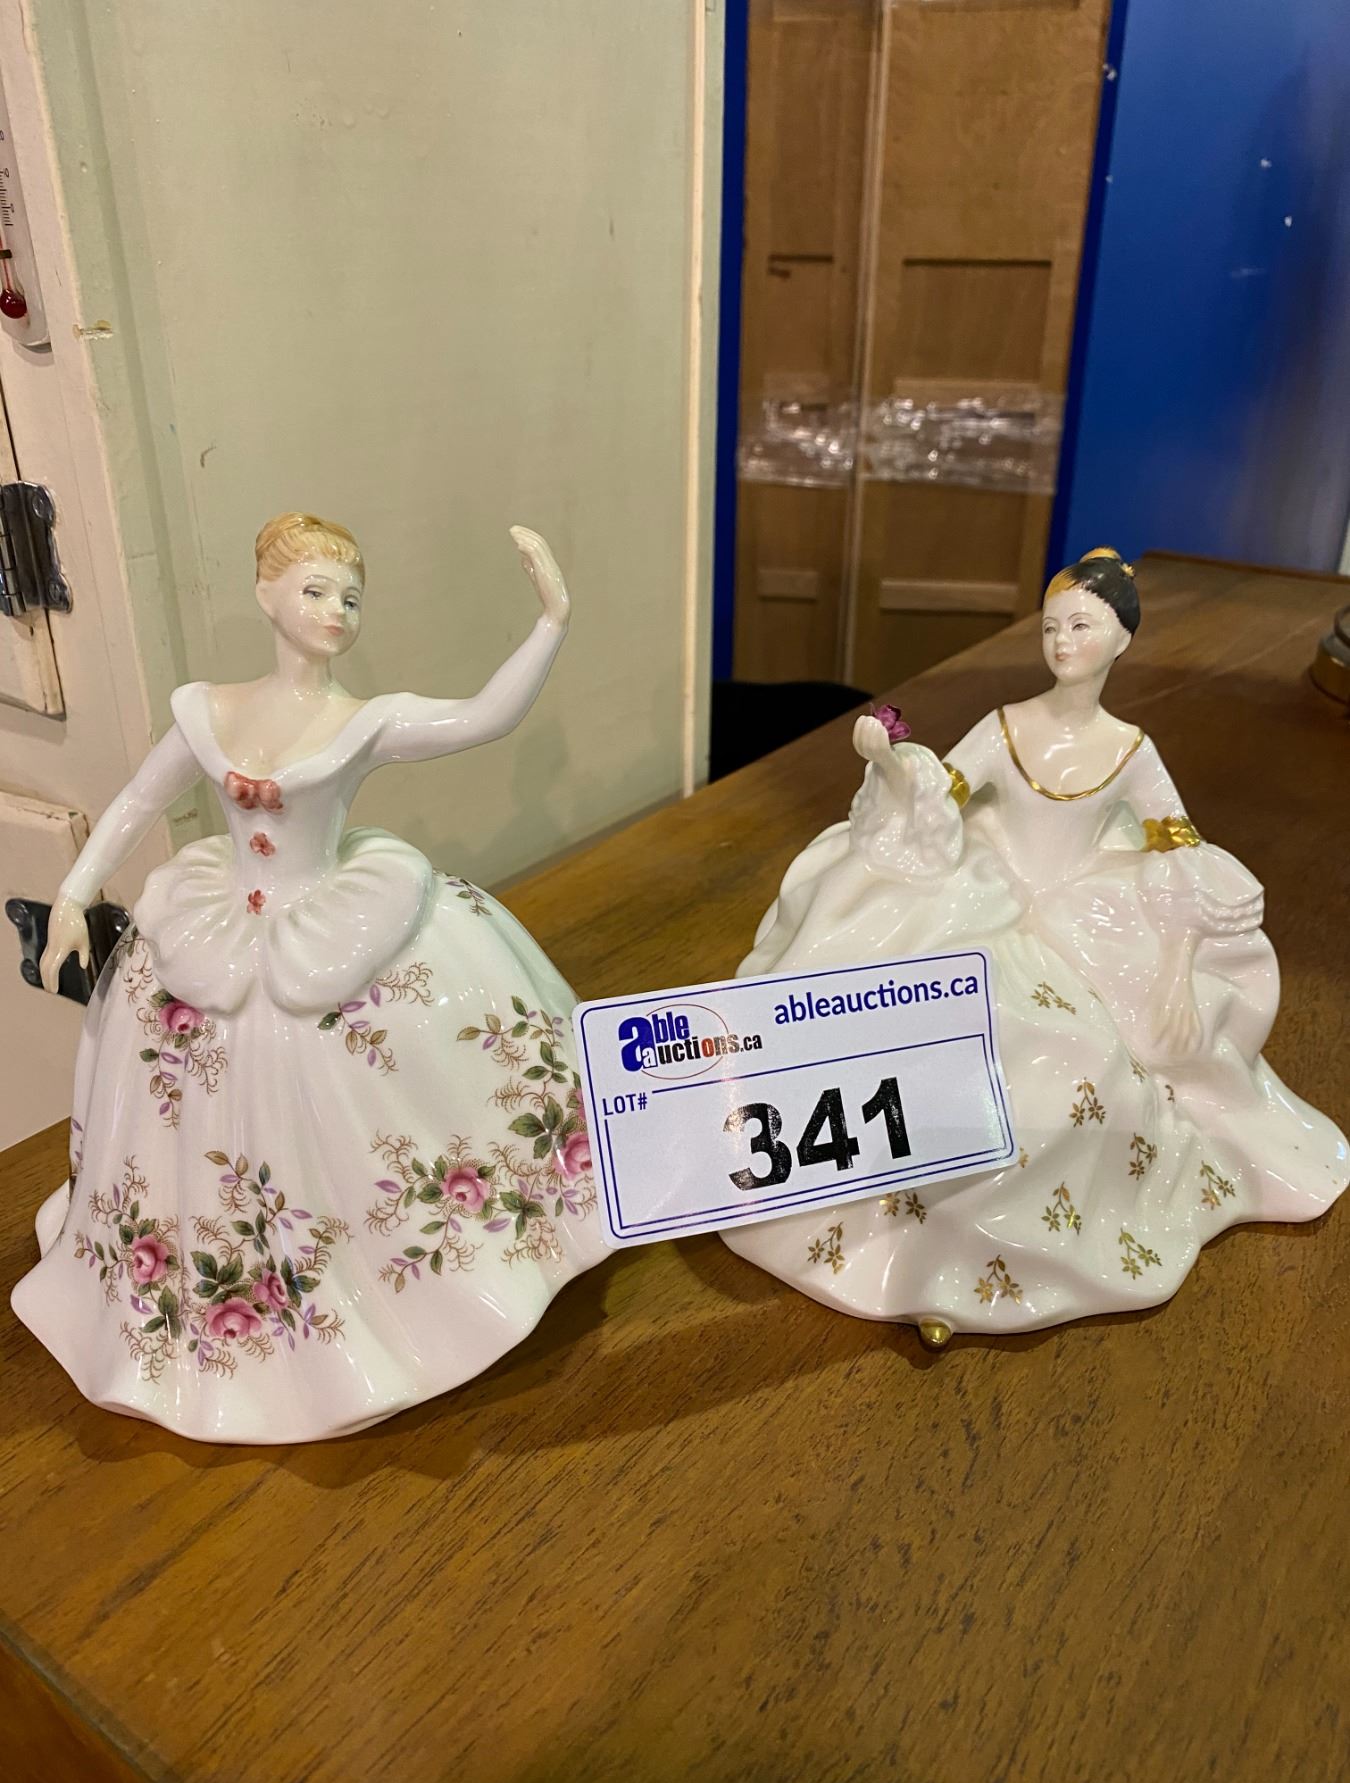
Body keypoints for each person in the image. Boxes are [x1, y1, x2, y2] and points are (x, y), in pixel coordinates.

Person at [12, 513, 606, 1440]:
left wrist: (551, 622)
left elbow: (482, 717)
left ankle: (402, 1278)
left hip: (336, 916)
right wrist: (74, 894)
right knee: (185, 1097)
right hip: (215, 920)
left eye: (351, 599)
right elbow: (138, 800)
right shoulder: (207, 710)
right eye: (317, 590)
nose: (336, 612)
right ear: (267, 596)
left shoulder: (364, 721)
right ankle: (219, 1310)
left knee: (389, 1088)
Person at [722, 551, 1346, 1341]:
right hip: (986, 903)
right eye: (1052, 627)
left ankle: (963, 1261)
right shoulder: (1005, 726)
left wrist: (1176, 958)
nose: (1062, 643)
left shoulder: (1132, 750)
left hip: (1083, 920)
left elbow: (1178, 853)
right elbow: (939, 793)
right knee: (917, 1012)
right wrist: (890, 762)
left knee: (1075, 1063)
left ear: (1121, 639)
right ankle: (884, 1232)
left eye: (1081, 626)